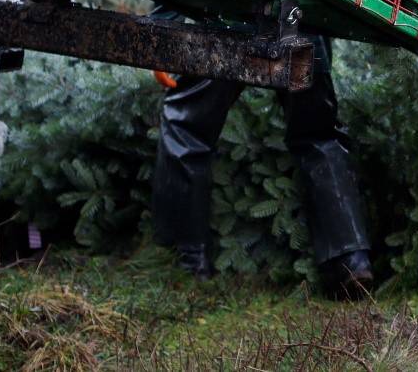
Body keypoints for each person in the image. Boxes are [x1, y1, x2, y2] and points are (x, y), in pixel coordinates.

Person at [152, 34, 374, 298]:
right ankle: (351, 263)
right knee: (317, 134)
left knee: (187, 127)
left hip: (228, 23)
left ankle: (189, 263)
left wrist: (161, 33)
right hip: (300, 27)